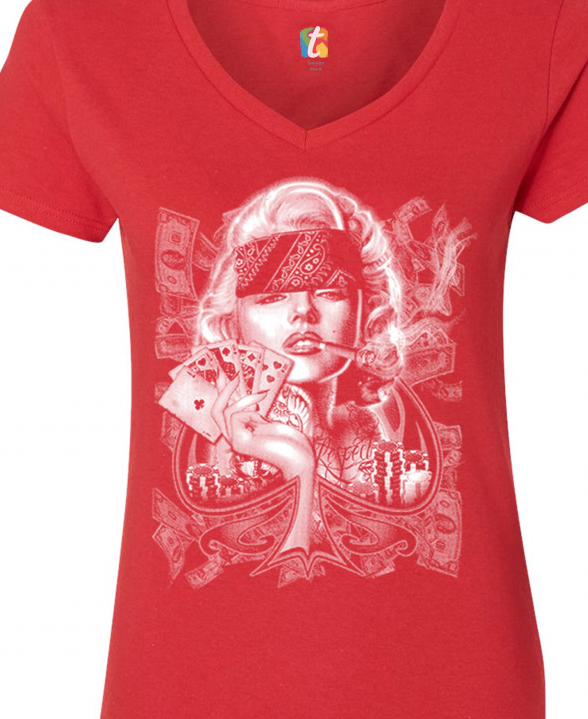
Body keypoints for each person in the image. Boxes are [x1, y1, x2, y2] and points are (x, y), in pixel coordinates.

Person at [183, 176, 431, 557]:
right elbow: (273, 572)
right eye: (273, 296)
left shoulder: (364, 430)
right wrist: (297, 464)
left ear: (365, 311)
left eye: (330, 291)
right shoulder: (222, 454)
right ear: (233, 320)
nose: (303, 311)